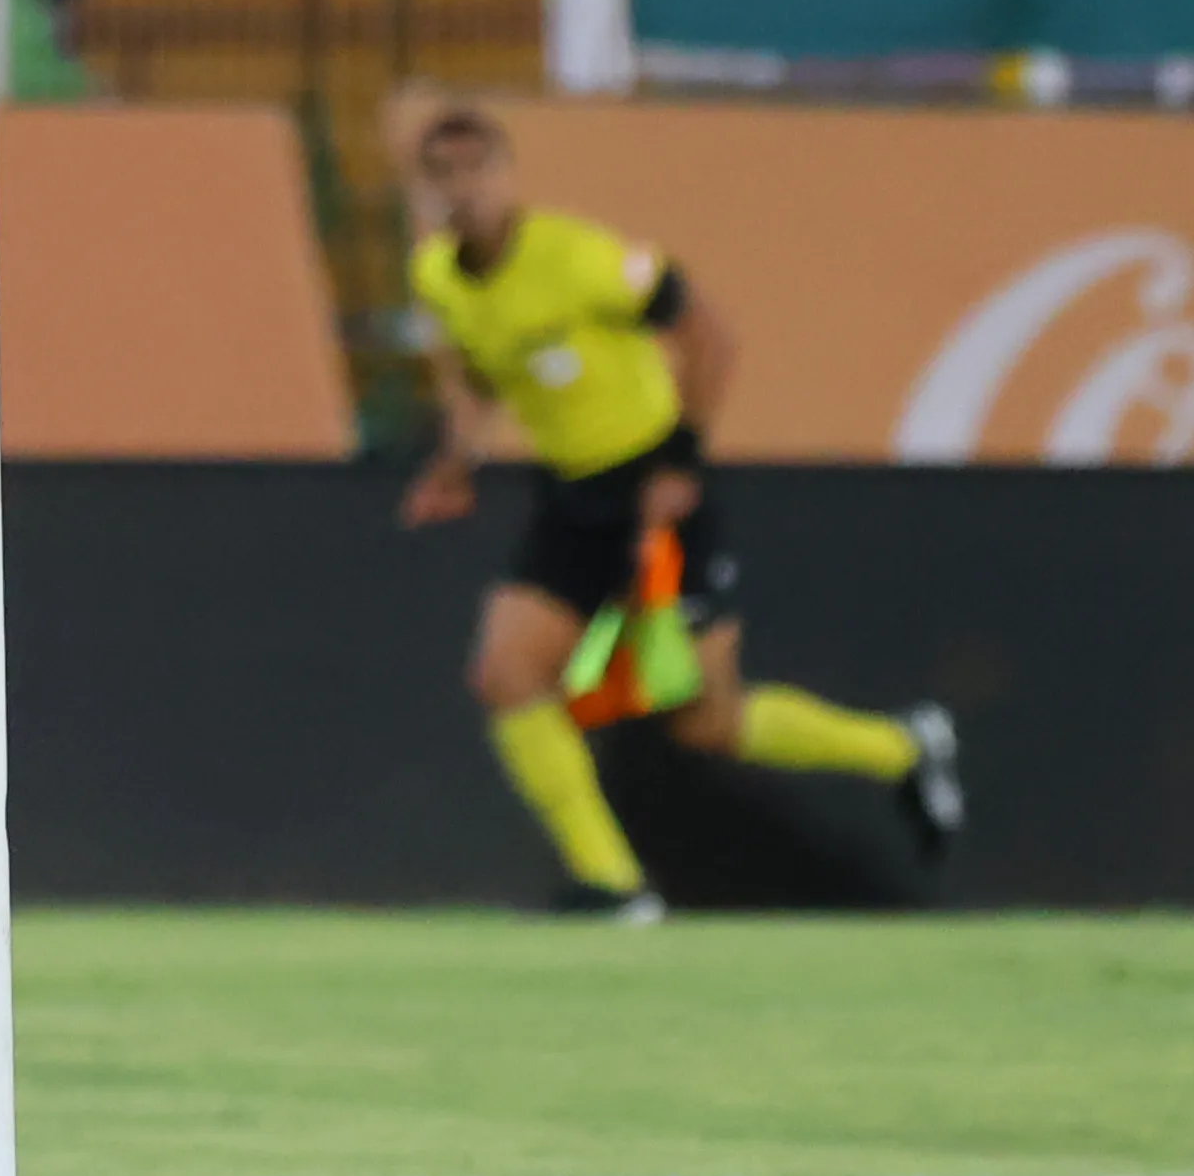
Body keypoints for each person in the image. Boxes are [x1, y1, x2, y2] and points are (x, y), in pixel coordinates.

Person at [393, 101, 962, 918]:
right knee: (506, 673)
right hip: (571, 499)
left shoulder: (580, 258)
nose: (464, 190)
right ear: (425, 190)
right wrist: (456, 464)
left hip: (654, 491)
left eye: (478, 169)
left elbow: (708, 334)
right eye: (443, 175)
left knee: (702, 721)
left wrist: (681, 462)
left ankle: (901, 747)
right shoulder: (437, 277)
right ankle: (614, 886)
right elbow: (488, 378)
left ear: (509, 175)